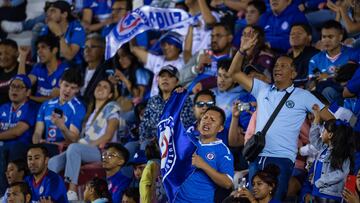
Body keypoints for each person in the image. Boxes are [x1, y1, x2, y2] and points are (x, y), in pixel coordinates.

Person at [228, 28, 333, 200]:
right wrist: (242, 51)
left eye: (284, 65)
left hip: (282, 158)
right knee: (253, 200)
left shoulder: (304, 95)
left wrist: (326, 139)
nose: (278, 68)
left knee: (275, 200)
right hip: (257, 155)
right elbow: (234, 73)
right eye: (276, 65)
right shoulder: (262, 89)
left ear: (294, 73)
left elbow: (331, 119)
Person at [48, 79, 120, 200]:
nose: (100, 88)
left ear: (110, 95)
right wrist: (62, 126)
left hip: (102, 151)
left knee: (74, 148)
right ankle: (53, 195)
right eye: (99, 85)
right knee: (52, 163)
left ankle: (72, 192)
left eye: (105, 87)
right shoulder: (91, 113)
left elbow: (108, 135)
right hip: (84, 149)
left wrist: (89, 146)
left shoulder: (111, 107)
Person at [174, 106, 234, 202]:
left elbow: (228, 183)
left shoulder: (223, 151)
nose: (207, 121)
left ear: (220, 128)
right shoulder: (187, 140)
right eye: (205, 118)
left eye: (213, 120)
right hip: (176, 199)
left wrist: (203, 165)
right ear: (199, 123)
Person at [302, 109, 353, 203]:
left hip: (330, 196)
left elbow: (341, 173)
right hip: (317, 192)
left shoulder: (341, 153)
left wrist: (321, 182)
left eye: (324, 130)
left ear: (330, 135)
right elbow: (313, 138)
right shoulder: (323, 148)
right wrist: (316, 121)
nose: (322, 133)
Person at [32, 68, 86, 156]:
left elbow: (74, 139)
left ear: (78, 89)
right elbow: (37, 132)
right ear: (60, 83)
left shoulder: (78, 108)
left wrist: (61, 126)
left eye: (72, 88)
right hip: (45, 147)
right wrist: (37, 144)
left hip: (63, 150)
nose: (68, 90)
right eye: (66, 85)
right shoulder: (46, 104)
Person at [139, 65, 195, 149]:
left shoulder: (183, 100)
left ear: (177, 81)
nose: (165, 79)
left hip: (174, 143)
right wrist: (145, 139)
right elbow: (144, 125)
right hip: (152, 142)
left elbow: (186, 124)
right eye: (162, 76)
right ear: (158, 80)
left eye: (170, 76)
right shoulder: (152, 100)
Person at [0, 75, 39, 195]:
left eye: (19, 87)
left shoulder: (31, 107)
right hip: (4, 145)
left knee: (5, 150)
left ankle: (4, 194)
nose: (14, 90)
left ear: (28, 92)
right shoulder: (3, 107)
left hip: (22, 147)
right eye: (12, 86)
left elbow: (17, 132)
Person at [308, 20, 356, 104]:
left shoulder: (353, 54)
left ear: (340, 37)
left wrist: (329, 77)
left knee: (328, 90)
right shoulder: (315, 59)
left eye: (330, 37)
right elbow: (312, 84)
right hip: (325, 100)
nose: (326, 41)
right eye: (324, 37)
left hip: (351, 96)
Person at [131, 31, 185, 97]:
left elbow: (188, 51)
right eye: (164, 44)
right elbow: (133, 49)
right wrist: (131, 31)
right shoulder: (158, 60)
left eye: (170, 44)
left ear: (178, 47)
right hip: (154, 102)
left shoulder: (184, 62)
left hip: (172, 102)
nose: (166, 47)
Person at [18, 35, 69, 103]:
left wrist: (29, 98)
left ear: (54, 50)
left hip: (51, 109)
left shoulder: (65, 70)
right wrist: (23, 56)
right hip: (35, 107)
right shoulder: (38, 67)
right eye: (38, 48)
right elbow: (21, 83)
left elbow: (54, 99)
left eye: (43, 47)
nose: (39, 51)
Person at [39, 0, 86, 66]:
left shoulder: (77, 29)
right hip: (54, 65)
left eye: (53, 11)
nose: (48, 14)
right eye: (48, 11)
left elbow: (69, 56)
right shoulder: (46, 28)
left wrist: (59, 34)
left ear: (64, 14)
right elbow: (41, 53)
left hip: (74, 66)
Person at [81, 33, 106, 98]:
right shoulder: (78, 71)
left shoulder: (106, 73)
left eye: (93, 47)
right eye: (86, 47)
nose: (87, 50)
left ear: (103, 50)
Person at [0, 39, 20, 105]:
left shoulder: (25, 69)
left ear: (17, 54)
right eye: (0, 54)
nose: (3, 57)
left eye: (7, 53)